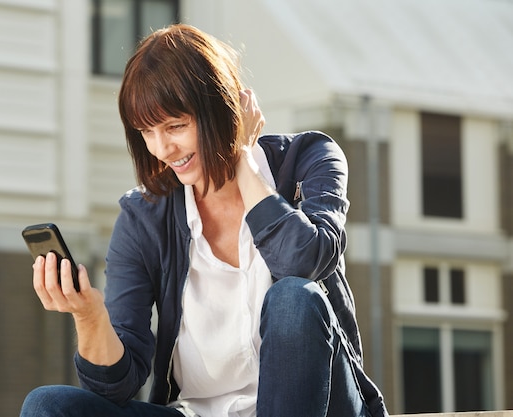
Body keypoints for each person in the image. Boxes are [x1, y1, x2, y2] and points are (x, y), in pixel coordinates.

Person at [20, 23, 389, 417]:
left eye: (176, 126)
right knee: (48, 406)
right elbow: (118, 386)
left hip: (323, 406)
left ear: (221, 109)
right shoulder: (144, 216)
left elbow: (304, 261)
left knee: (294, 298)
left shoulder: (310, 158)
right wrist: (88, 315)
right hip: (194, 412)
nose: (163, 148)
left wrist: (244, 160)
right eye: (148, 131)